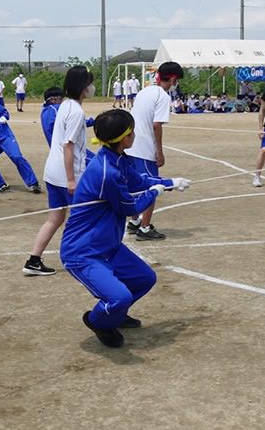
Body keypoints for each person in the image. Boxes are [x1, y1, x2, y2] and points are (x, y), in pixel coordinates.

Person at [60, 109, 190, 348]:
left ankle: (115, 314)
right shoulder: (106, 172)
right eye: (132, 131)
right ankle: (99, 320)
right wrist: (155, 192)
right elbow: (129, 208)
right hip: (83, 253)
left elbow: (139, 181)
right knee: (120, 296)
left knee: (144, 279)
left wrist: (169, 183)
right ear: (124, 138)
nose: (135, 135)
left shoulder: (119, 158)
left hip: (108, 245)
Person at [24, 65, 94, 276]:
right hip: (66, 176)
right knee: (83, 219)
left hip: (52, 173)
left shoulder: (65, 105)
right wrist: (72, 180)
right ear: (83, 87)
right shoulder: (75, 111)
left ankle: (33, 260)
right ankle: (77, 258)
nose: (92, 87)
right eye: (90, 83)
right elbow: (68, 146)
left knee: (55, 219)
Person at [124, 61, 185, 240]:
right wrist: (159, 151)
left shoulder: (145, 91)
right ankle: (145, 227)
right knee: (153, 185)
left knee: (134, 185)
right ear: (173, 79)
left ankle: (134, 220)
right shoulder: (163, 97)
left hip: (131, 146)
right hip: (144, 148)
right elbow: (156, 125)